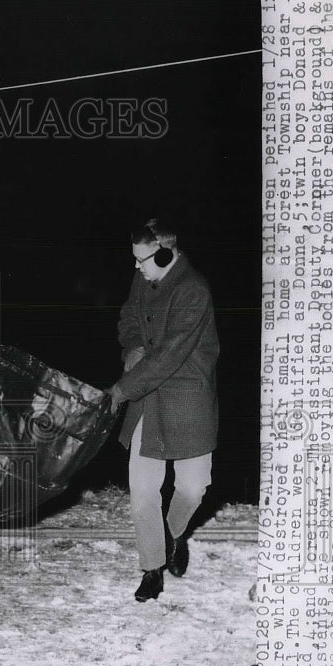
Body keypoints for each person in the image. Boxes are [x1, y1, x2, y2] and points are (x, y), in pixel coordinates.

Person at [107, 219, 220, 602]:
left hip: (187, 398)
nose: (136, 268)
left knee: (192, 486)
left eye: (142, 260)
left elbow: (170, 355)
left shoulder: (194, 291)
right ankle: (152, 567)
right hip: (148, 401)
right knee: (142, 490)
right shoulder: (144, 279)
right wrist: (132, 346)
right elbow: (127, 319)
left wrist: (121, 389)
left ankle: (173, 535)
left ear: (166, 254)